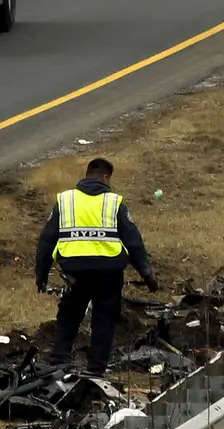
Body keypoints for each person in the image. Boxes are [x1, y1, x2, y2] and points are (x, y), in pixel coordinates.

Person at [35, 158, 158, 373]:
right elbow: (133, 241)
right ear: (105, 177)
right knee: (104, 319)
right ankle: (96, 367)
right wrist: (146, 273)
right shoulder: (114, 202)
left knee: (70, 315)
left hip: (75, 271)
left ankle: (60, 359)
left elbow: (46, 240)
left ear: (86, 174)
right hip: (108, 273)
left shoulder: (65, 201)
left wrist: (41, 274)